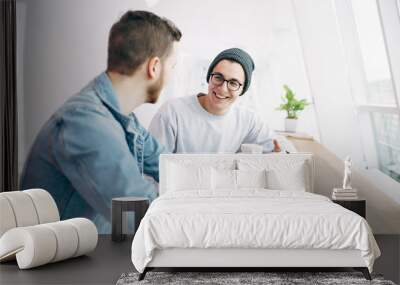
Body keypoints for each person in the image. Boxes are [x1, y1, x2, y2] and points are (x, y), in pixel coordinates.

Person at [20, 11, 181, 233]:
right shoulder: (85, 122)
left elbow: (171, 166)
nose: (173, 75)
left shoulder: (124, 117)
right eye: (173, 66)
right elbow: (140, 213)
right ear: (154, 67)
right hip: (62, 263)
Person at [149, 48, 281, 153]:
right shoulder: (172, 113)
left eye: (233, 83)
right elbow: (151, 169)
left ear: (242, 90)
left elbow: (278, 147)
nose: (223, 89)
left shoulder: (247, 120)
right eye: (218, 77)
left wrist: (280, 154)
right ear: (209, 78)